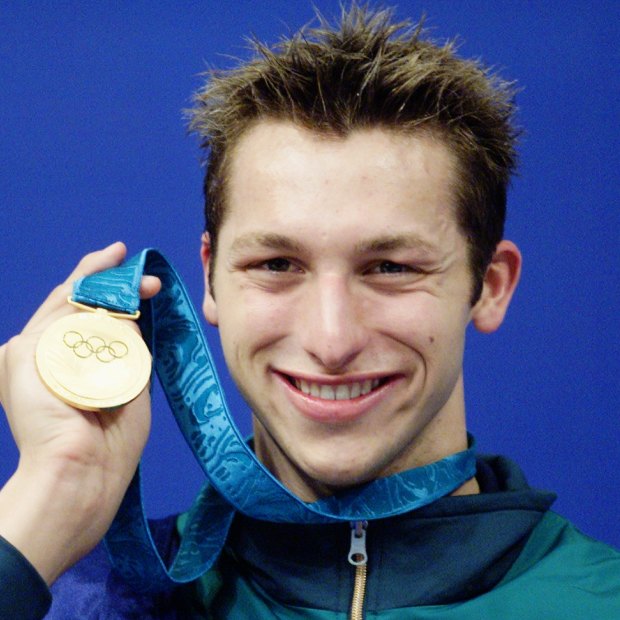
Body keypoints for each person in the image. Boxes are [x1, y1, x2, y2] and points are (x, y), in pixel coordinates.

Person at [0, 5, 618, 619]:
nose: (331, 339)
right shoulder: (64, 598)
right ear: (210, 278)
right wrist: (49, 496)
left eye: (391, 268)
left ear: (490, 285)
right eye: (276, 265)